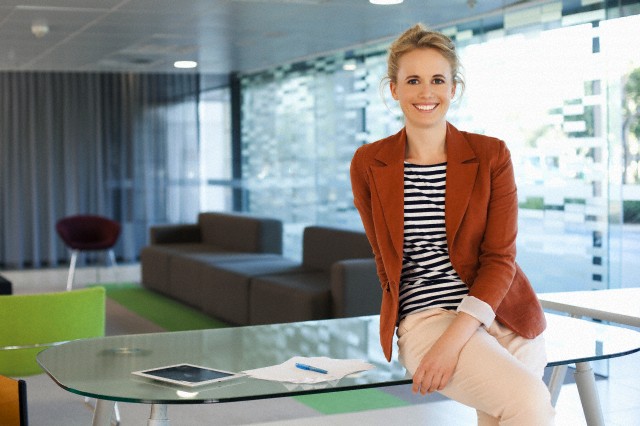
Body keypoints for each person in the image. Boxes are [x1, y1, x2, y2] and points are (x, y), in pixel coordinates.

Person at [350, 24, 555, 425]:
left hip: (505, 312)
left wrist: (457, 338)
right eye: (413, 80)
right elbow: (383, 257)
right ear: (394, 89)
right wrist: (438, 341)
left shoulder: (490, 154)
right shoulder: (369, 163)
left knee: (506, 416)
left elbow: (500, 258)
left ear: (453, 88)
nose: (427, 93)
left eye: (438, 80)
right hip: (427, 317)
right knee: (529, 403)